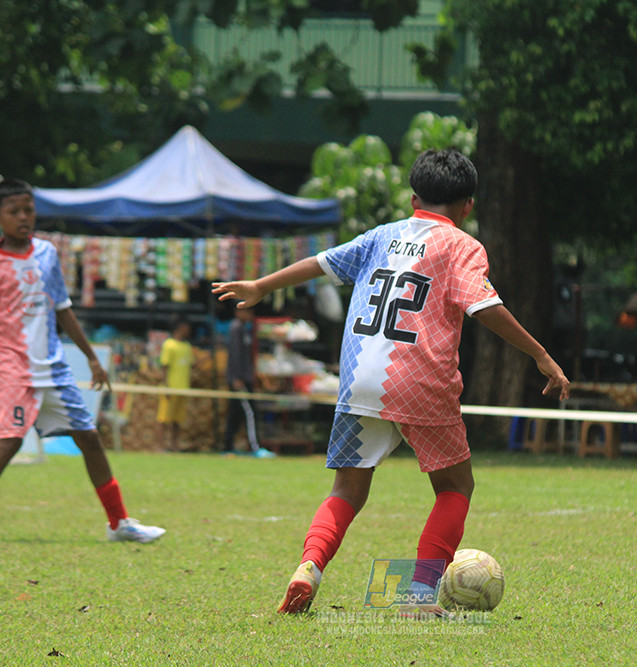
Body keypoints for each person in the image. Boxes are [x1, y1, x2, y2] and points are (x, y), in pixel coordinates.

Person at [212, 148, 571, 614]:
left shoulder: (381, 236)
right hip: (419, 380)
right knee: (455, 488)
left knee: (346, 491)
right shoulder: (461, 245)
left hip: (358, 376)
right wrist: (541, 355)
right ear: (468, 206)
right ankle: (420, 596)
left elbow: (321, 263)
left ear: (413, 196)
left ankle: (309, 568)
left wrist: (261, 287)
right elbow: (485, 308)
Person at [0, 178, 165, 543]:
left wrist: (92, 358)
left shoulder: (46, 253)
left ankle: (119, 523)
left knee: (90, 437)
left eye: (28, 210)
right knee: (11, 440)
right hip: (11, 369)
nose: (23, 217)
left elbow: (62, 309)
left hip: (53, 367)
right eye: (14, 212)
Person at [222, 306, 274, 458]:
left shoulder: (245, 329)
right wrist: (236, 378)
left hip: (245, 377)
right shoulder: (236, 328)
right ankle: (255, 447)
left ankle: (228, 446)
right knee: (249, 412)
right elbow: (235, 355)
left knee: (235, 413)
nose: (250, 315)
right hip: (239, 379)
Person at [156, 315, 192, 452]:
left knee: (177, 420)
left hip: (182, 388)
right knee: (163, 419)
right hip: (170, 388)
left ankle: (174, 446)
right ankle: (160, 446)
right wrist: (165, 386)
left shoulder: (187, 346)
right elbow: (164, 367)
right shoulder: (169, 345)